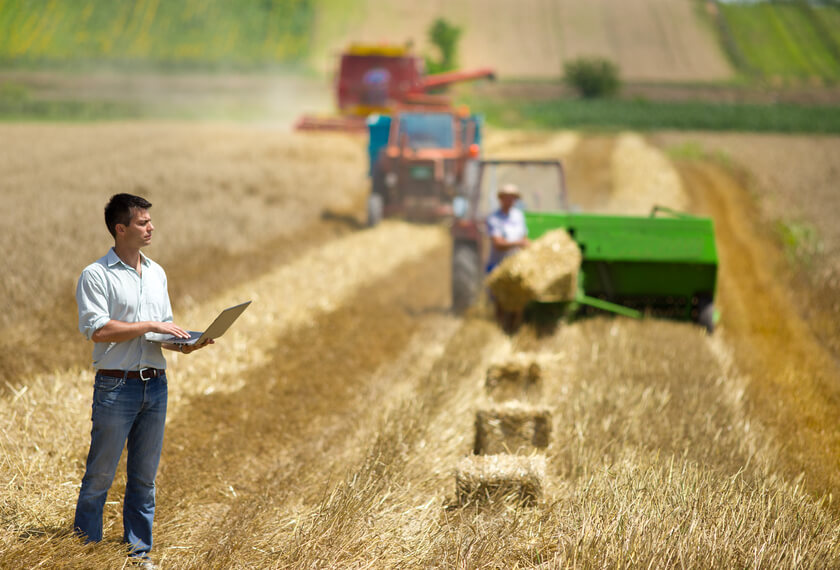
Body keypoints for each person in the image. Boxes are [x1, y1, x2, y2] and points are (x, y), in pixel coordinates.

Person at [74, 193, 212, 567]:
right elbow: (98, 331)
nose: (150, 227)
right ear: (120, 229)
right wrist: (149, 325)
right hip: (116, 386)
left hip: (156, 385)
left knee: (144, 480)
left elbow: (161, 332)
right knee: (100, 475)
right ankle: (85, 552)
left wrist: (185, 345)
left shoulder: (157, 272)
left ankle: (138, 554)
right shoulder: (96, 275)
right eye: (142, 222)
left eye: (150, 221)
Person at [486, 183, 530, 330]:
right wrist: (518, 243)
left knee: (518, 298)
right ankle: (500, 328)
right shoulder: (494, 218)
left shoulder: (519, 216)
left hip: (516, 263)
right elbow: (498, 243)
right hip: (499, 264)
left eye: (512, 198)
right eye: (507, 198)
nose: (510, 201)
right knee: (500, 300)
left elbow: (525, 237)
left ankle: (515, 328)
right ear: (501, 199)